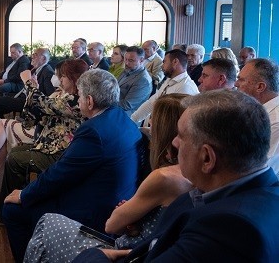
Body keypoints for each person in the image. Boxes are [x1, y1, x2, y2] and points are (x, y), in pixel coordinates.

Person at [75, 90, 279, 262]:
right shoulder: (259, 193)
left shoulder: (227, 230)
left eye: (181, 136)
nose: (174, 142)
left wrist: (95, 255)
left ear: (207, 158)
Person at [24, 94, 192, 263]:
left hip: (122, 252)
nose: (149, 123)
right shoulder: (192, 179)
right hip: (140, 246)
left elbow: (112, 226)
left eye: (153, 119)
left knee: (46, 223)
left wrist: (127, 217)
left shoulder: (163, 177)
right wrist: (134, 224)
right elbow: (158, 229)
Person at [2, 69, 142, 262]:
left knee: (12, 210)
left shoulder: (94, 131)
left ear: (90, 101)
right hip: (115, 199)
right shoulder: (122, 118)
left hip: (96, 213)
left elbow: (60, 175)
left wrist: (24, 195)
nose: (78, 100)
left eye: (80, 96)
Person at [0, 59, 85, 195]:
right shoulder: (65, 95)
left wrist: (29, 84)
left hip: (55, 149)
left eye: (63, 76)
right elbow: (33, 115)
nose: (60, 79)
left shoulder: (75, 100)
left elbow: (42, 105)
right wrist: (33, 88)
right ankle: (3, 189)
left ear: (74, 78)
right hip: (45, 138)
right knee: (10, 145)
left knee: (7, 139)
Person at [0, 47, 55, 147]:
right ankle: (0, 135)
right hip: (23, 96)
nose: (32, 57)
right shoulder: (38, 69)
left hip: (28, 102)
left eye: (35, 55)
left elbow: (49, 96)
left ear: (43, 58)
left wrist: (33, 87)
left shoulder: (47, 72)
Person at [131, 49, 199, 125]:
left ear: (175, 62)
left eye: (164, 62)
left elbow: (175, 121)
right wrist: (132, 120)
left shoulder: (186, 87)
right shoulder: (170, 79)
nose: (162, 66)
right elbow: (151, 102)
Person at [234, 58, 279, 171]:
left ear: (260, 87)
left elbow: (261, 168)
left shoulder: (275, 121)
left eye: (241, 80)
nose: (235, 84)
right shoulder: (256, 110)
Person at [117, 46, 153, 116]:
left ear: (141, 60)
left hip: (127, 116)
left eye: (131, 60)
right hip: (116, 110)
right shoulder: (127, 70)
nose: (126, 63)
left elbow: (127, 105)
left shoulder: (143, 80)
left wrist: (104, 103)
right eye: (125, 59)